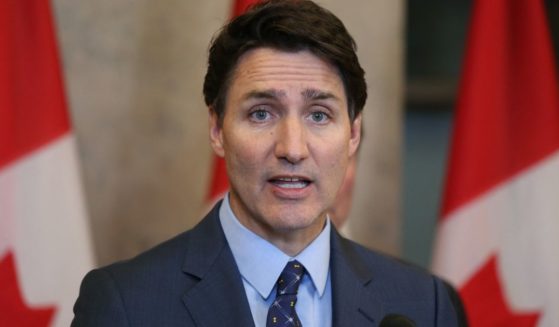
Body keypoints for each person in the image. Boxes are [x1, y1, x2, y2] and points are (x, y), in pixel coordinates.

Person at [71, 0, 462, 326]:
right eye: (261, 113)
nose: (292, 148)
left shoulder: (424, 307)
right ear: (217, 129)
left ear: (353, 133)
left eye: (319, 115)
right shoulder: (124, 306)